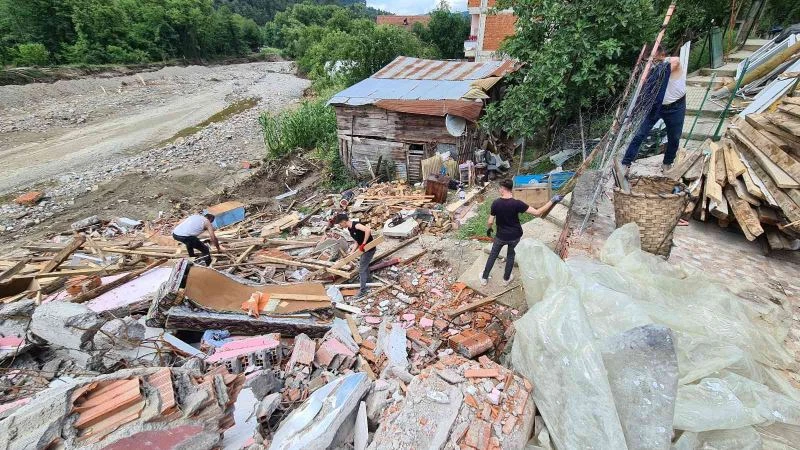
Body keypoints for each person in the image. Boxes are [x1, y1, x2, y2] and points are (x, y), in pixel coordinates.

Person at [481, 179, 563, 286]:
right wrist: (553, 200)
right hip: (515, 236)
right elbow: (537, 212)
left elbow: (490, 221)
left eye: (499, 188)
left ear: (502, 189)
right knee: (511, 256)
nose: (499, 190)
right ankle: (506, 279)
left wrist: (489, 228)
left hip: (500, 236)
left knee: (493, 255)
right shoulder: (517, 204)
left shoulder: (496, 203)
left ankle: (484, 278)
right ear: (511, 189)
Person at [621, 45, 686, 175]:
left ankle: (667, 163)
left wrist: (658, 68)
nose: (651, 64)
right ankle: (626, 164)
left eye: (654, 60)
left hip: (675, 107)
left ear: (662, 56)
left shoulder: (672, 62)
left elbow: (675, 62)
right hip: (656, 106)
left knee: (674, 136)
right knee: (640, 133)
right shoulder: (650, 70)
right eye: (648, 61)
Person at [334, 213, 376, 297]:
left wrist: (363, 244)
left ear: (344, 221)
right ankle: (369, 280)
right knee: (364, 264)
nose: (341, 226)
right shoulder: (350, 229)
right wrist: (352, 252)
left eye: (340, 224)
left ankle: (363, 290)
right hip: (364, 250)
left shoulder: (356, 225)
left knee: (361, 269)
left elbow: (368, 230)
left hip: (369, 249)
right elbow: (357, 241)